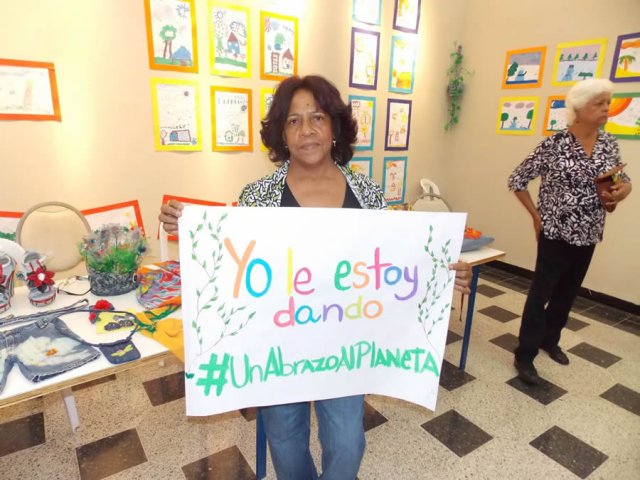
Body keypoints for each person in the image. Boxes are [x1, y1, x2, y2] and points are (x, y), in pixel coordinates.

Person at [160, 75, 471, 479]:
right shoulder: (258, 196)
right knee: (285, 444)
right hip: (277, 351)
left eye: (317, 118)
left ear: (335, 127)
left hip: (344, 350)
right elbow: (229, 258)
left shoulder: (367, 195)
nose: (306, 130)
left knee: (347, 444)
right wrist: (187, 225)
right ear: (281, 133)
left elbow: (400, 261)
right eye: (293, 121)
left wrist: (444, 272)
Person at [508, 78, 632, 386]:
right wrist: (536, 217)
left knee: (567, 293)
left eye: (607, 102)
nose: (606, 108)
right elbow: (517, 179)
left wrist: (621, 192)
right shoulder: (555, 144)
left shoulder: (608, 144)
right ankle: (524, 355)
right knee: (541, 295)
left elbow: (624, 180)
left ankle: (550, 339)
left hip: (589, 232)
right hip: (555, 233)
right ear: (579, 108)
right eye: (599, 103)